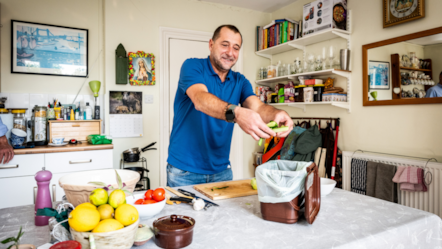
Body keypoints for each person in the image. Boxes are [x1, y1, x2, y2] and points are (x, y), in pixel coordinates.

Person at [167, 25, 294, 187]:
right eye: (224, 45)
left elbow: (258, 107)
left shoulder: (240, 81)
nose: (230, 52)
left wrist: (277, 114)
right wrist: (237, 113)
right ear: (211, 44)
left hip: (222, 171)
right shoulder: (192, 66)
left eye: (236, 48)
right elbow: (200, 100)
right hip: (184, 171)